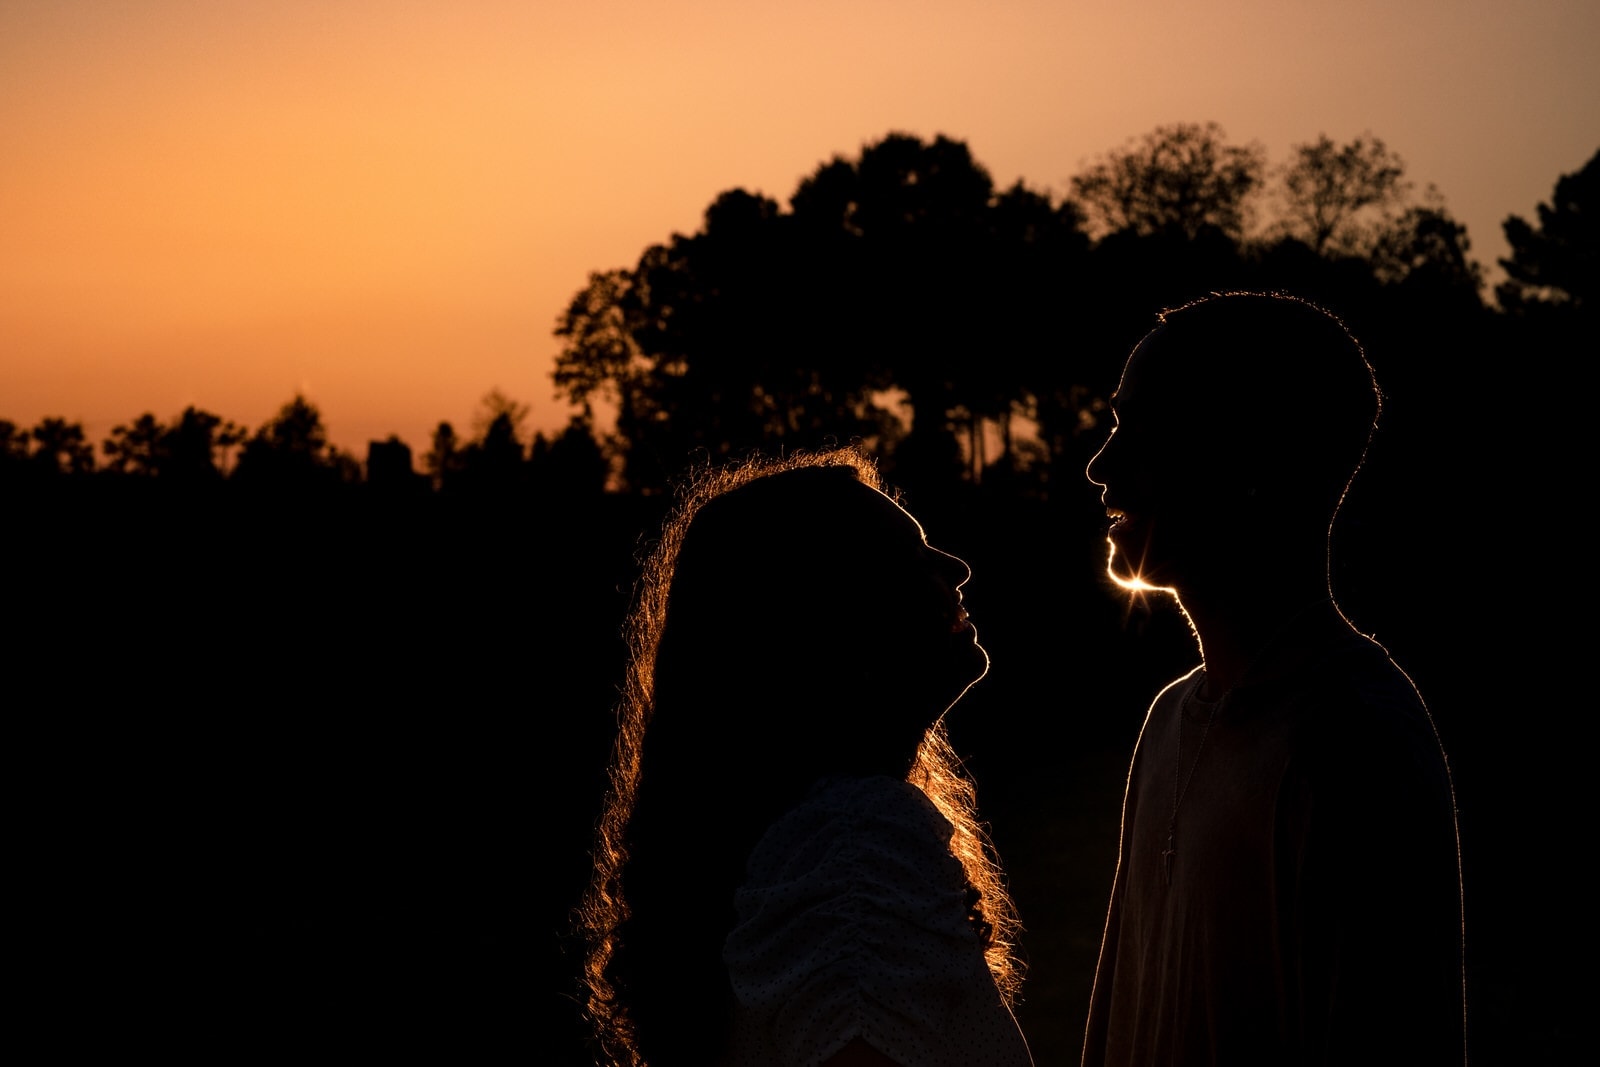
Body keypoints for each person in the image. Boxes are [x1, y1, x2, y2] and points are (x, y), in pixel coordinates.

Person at [1081, 292, 1465, 1065]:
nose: (1101, 466)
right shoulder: (1167, 722)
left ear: (1243, 460)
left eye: (1138, 430)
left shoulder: (1358, 738)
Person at [579, 448, 1034, 1067]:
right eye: (911, 558)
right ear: (835, 620)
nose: (956, 569)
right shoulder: (856, 845)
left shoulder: (803, 840)